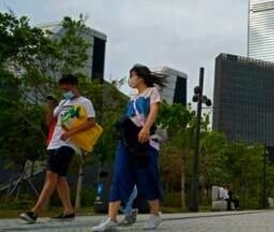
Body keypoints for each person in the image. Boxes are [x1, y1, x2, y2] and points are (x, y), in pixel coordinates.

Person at [92, 65, 166, 231]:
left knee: (145, 177)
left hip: (145, 142)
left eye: (132, 76)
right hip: (127, 142)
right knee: (119, 175)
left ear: (140, 77)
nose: (130, 80)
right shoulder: (132, 98)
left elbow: (154, 110)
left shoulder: (151, 92)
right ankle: (111, 219)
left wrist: (146, 128)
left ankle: (155, 214)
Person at [20, 74, 96, 224]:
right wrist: (50, 108)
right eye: (62, 89)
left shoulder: (84, 102)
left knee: (51, 174)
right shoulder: (63, 102)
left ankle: (35, 211)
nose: (65, 91)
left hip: (68, 144)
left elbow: (91, 122)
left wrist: (70, 133)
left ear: (74, 86)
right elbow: (50, 122)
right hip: (54, 142)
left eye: (67, 88)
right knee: (60, 178)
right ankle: (69, 210)